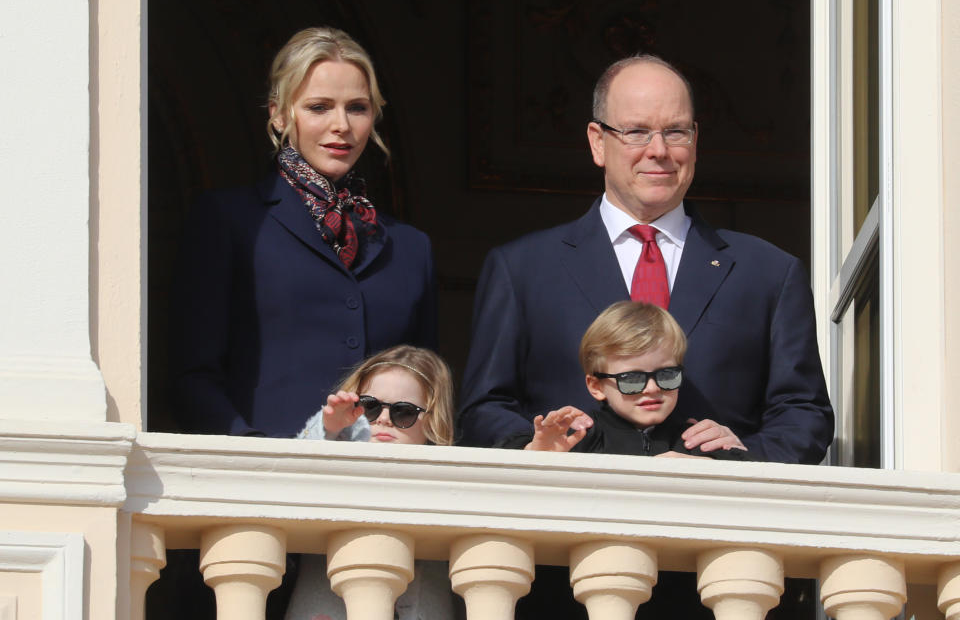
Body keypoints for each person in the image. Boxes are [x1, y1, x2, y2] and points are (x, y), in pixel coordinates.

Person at [459, 54, 833, 465]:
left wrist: (732, 464)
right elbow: (484, 408)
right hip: (569, 515)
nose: (659, 151)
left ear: (695, 140)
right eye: (636, 132)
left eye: (675, 132)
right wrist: (538, 452)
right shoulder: (522, 269)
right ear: (598, 142)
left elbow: (804, 416)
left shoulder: (768, 273)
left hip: (718, 519)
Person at [170, 27, 436, 438]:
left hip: (380, 487)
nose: (341, 125)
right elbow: (192, 376)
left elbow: (427, 390)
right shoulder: (228, 220)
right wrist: (256, 461)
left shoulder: (411, 248)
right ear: (279, 114)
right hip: (258, 483)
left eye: (357, 108)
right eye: (319, 107)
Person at [284, 345, 458, 620]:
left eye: (404, 412)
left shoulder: (446, 482)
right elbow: (289, 478)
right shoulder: (335, 463)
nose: (385, 420)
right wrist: (330, 429)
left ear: (432, 419)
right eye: (371, 407)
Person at [503, 301, 752, 461]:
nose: (652, 388)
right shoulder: (578, 436)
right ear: (596, 386)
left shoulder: (696, 439)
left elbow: (754, 484)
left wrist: (711, 467)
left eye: (667, 375)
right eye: (632, 379)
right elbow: (499, 465)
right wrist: (535, 456)